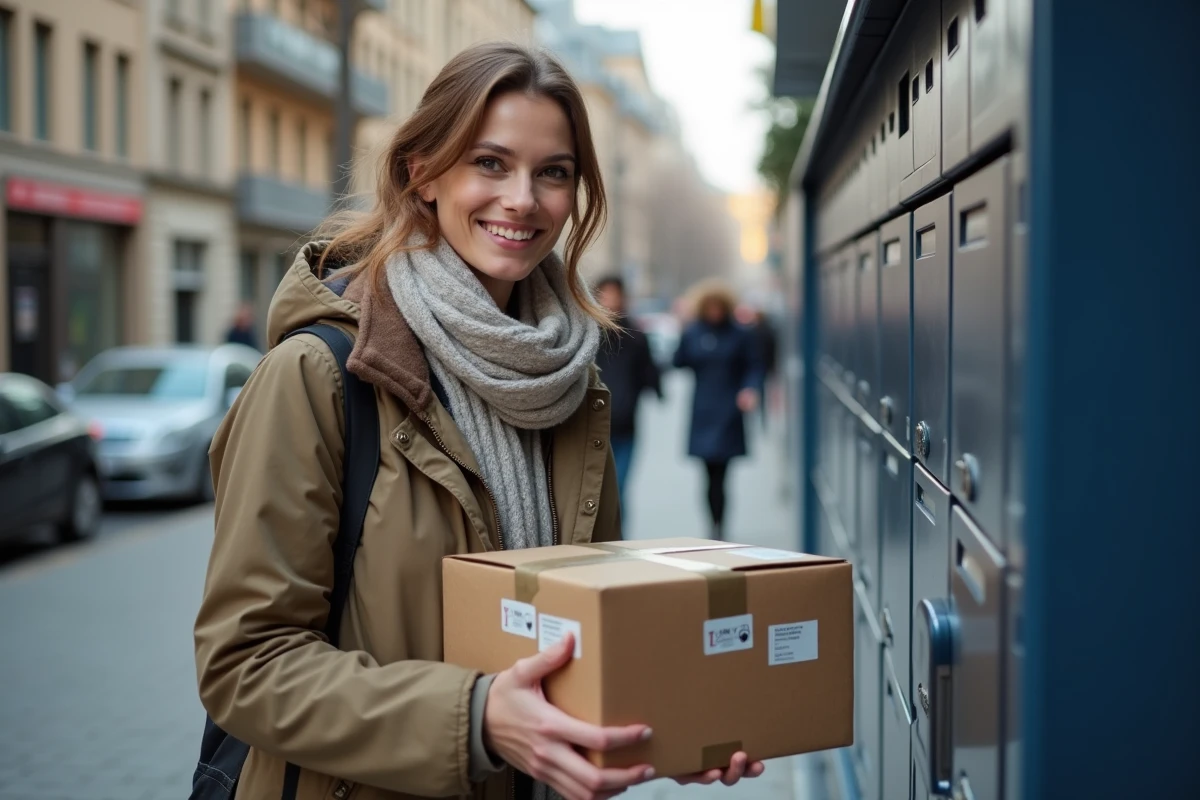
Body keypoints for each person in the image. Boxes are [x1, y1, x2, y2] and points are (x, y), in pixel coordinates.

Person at [193, 42, 764, 800]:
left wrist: (659, 725)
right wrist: (474, 720)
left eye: (553, 172)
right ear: (421, 174)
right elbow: (246, 665)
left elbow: (582, 638)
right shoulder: (319, 375)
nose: (524, 199)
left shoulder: (572, 384)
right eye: (490, 163)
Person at [673, 281, 764, 541]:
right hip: (703, 410)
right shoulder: (693, 332)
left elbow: (755, 366)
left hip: (729, 411)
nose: (714, 311)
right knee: (706, 475)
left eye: (718, 307)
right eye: (709, 307)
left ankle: (720, 526)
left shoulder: (741, 334)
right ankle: (712, 524)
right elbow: (678, 362)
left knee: (722, 476)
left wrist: (749, 389)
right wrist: (681, 327)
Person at [592, 276, 662, 507]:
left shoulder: (636, 336)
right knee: (593, 491)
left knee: (619, 487)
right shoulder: (587, 333)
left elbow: (648, 372)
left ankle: (618, 540)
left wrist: (657, 387)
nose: (611, 300)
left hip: (625, 423)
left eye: (615, 294)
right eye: (606, 294)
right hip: (591, 425)